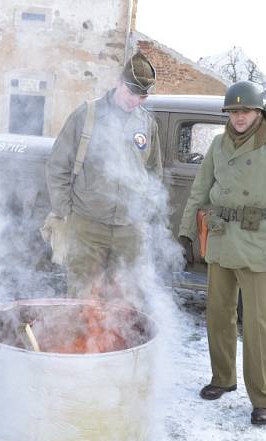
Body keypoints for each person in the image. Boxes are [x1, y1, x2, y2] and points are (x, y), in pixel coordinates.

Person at [178, 81, 266, 426]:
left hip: (257, 241)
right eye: (234, 111)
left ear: (259, 112)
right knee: (218, 315)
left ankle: (264, 396)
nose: (239, 117)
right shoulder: (219, 144)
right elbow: (200, 189)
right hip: (221, 240)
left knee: (256, 323)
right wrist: (186, 233)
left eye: (245, 111)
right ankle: (223, 378)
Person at [45, 52, 163, 303]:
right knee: (82, 296)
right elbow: (58, 165)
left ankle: (117, 343)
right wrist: (65, 210)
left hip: (129, 229)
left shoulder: (147, 123)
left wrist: (146, 212)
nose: (135, 101)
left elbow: (153, 172)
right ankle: (79, 341)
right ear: (119, 82)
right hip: (87, 224)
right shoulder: (86, 115)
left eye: (142, 96)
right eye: (131, 93)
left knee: (125, 299)